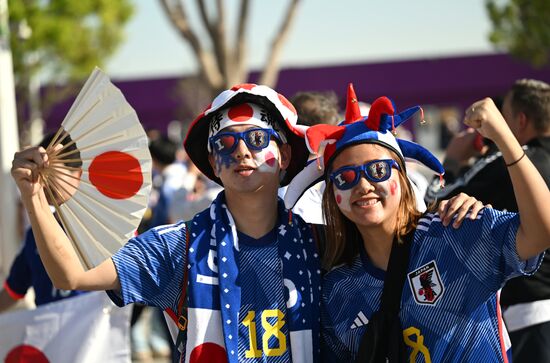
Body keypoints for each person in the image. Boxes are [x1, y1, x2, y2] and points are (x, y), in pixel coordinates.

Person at [11, 83, 481, 363]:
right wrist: (34, 197)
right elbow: (71, 274)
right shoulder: (178, 247)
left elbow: (401, 238)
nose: (242, 152)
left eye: (257, 138)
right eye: (227, 144)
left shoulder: (327, 240)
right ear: (213, 165)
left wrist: (454, 210)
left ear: (285, 156)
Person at [286, 93, 550, 361]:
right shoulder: (338, 291)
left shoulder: (457, 231)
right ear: (332, 194)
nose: (363, 186)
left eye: (378, 170)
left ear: (402, 178)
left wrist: (505, 138)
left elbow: (542, 232)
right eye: (346, 178)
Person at [425, 79, 550, 361]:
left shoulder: (515, 162)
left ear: (518, 121)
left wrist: (453, 162)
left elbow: (434, 204)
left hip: (529, 319)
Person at [0, 133, 87, 313]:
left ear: (78, 175)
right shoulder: (36, 235)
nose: (45, 183)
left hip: (97, 335)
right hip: (49, 336)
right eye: (41, 174)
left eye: (52, 174)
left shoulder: (102, 232)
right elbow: (14, 289)